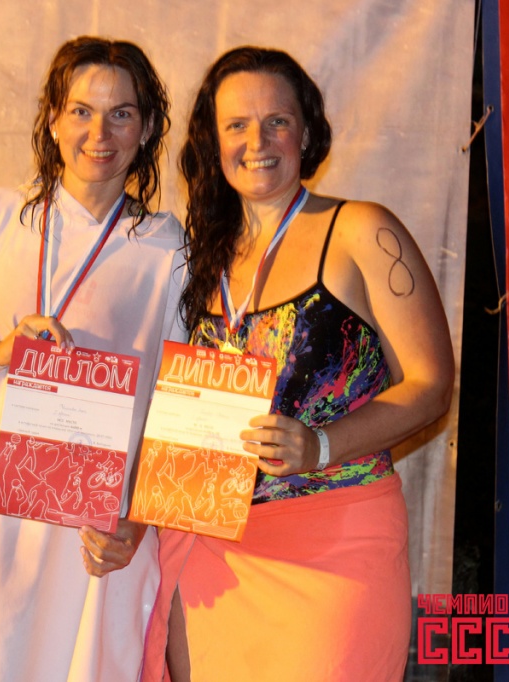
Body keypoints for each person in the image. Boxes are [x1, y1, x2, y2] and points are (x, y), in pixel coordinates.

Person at [140, 47, 455, 681]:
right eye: (237, 125)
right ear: (213, 141)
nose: (257, 142)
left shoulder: (362, 231)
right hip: (212, 554)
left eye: (276, 121)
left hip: (338, 539)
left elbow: (431, 384)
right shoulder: (199, 261)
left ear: (306, 132)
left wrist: (319, 444)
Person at [0, 37, 185, 682]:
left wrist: (137, 523)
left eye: (122, 114)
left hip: (88, 529)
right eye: (81, 111)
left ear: (147, 129)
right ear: (52, 120)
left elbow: (182, 414)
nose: (99, 134)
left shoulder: (170, 252)